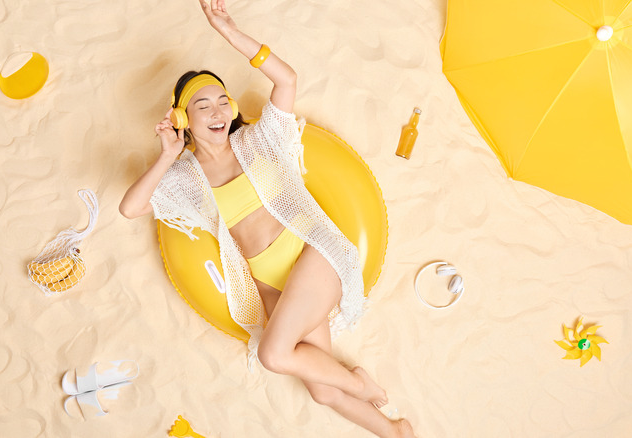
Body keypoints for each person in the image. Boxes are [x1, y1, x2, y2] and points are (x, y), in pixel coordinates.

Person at [119, 1, 416, 437]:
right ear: (183, 119)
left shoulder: (260, 140)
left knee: (273, 355)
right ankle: (396, 431)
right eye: (203, 106)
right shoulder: (186, 177)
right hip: (271, 286)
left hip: (314, 258)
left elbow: (287, 79)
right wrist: (167, 155)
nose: (218, 112)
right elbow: (131, 207)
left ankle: (358, 382)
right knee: (322, 392)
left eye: (223, 101)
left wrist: (228, 30)